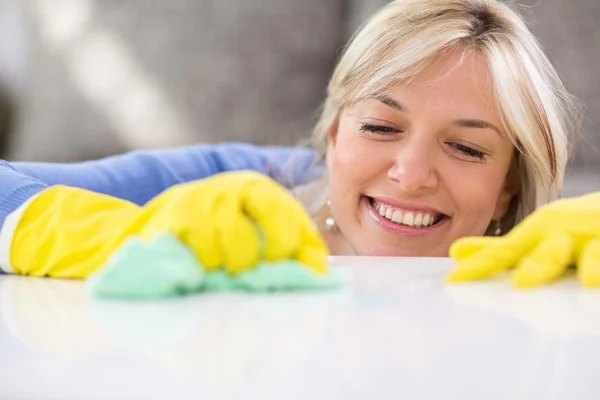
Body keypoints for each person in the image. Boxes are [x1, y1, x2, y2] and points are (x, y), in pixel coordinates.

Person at [0, 0, 588, 286]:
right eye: (381, 128)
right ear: (333, 136)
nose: (411, 175)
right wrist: (112, 234)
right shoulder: (243, 185)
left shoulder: (552, 255)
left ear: (512, 179)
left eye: (466, 148)